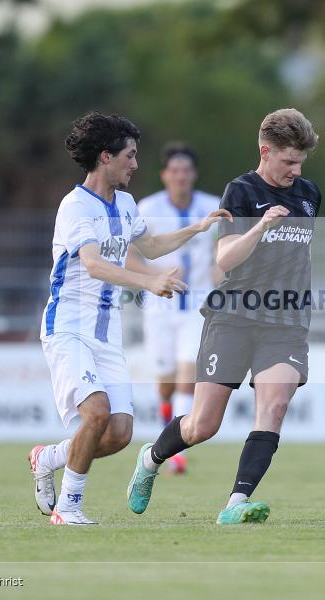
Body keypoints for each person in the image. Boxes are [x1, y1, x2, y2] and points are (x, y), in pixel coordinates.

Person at [27, 111, 231, 525]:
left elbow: (152, 245)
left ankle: (48, 457)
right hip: (68, 329)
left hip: (106, 334)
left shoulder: (124, 202)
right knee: (96, 413)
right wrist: (148, 282)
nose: (136, 165)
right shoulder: (75, 206)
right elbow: (94, 264)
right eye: (131, 156)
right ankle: (68, 508)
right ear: (106, 157)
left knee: (119, 434)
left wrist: (199, 227)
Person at [125, 108, 320, 525]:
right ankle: (151, 457)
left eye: (300, 162)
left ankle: (235, 503)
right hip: (233, 317)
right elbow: (226, 257)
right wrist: (259, 228)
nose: (295, 170)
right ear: (265, 152)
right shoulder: (240, 192)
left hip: (285, 323)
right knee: (203, 424)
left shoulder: (309, 194)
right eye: (288, 161)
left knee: (275, 405)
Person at [132, 143, 222, 474]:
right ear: (164, 175)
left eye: (186, 170)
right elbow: (131, 255)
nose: (180, 176)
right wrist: (156, 276)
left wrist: (220, 270)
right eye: (174, 170)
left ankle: (177, 455)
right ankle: (166, 430)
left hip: (198, 307)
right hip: (160, 307)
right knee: (166, 383)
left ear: (193, 175)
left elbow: (223, 249)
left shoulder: (212, 206)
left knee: (189, 377)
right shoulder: (148, 207)